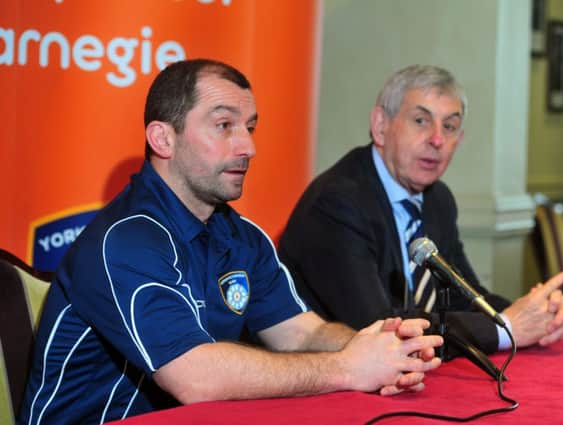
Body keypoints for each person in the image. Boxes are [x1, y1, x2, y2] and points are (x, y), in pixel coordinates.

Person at [19, 59, 444, 424]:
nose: (248, 146)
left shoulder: (241, 236)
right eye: (224, 125)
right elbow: (196, 378)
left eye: (250, 127)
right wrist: (346, 368)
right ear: (163, 139)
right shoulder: (125, 240)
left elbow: (299, 333)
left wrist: (380, 346)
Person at [278, 64, 563, 357]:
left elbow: (464, 296)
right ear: (380, 126)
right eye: (420, 121)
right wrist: (506, 329)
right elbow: (377, 327)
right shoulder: (337, 202)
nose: (437, 140)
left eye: (449, 126)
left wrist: (535, 314)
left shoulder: (437, 199)